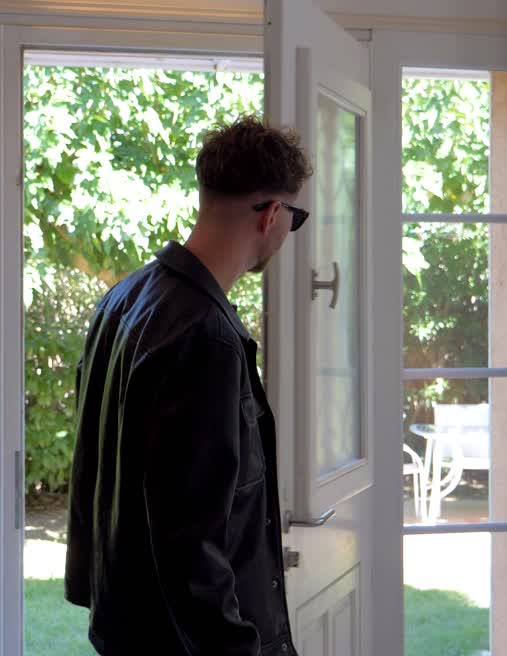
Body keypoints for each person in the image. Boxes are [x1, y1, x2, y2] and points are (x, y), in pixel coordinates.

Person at [65, 115, 312, 656]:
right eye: (295, 219)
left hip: (130, 627)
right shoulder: (205, 337)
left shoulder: (123, 298)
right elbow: (191, 541)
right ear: (272, 214)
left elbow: (91, 474)